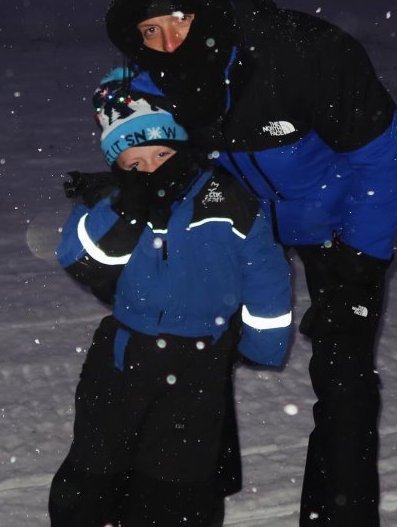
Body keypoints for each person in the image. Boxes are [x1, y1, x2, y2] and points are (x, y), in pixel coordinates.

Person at [104, 0, 397, 526]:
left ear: (204, 8)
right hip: (241, 223)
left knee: (343, 373)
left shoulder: (304, 54)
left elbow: (387, 162)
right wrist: (136, 182)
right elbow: (137, 142)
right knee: (193, 349)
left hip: (338, 221)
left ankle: (340, 514)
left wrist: (360, 264)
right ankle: (194, 497)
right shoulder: (149, 79)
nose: (169, 42)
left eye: (179, 20)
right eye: (151, 30)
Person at [48, 68, 293, 526]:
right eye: (135, 163)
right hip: (123, 353)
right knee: (99, 458)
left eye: (162, 152)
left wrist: (264, 341)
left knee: (178, 473)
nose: (152, 169)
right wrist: (127, 207)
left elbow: (266, 273)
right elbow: (79, 255)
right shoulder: (112, 202)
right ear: (117, 165)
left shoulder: (227, 199)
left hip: (200, 357)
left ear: (182, 145)